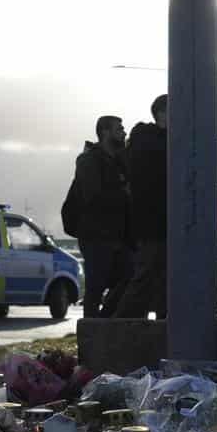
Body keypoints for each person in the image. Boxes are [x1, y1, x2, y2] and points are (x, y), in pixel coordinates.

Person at [73, 116, 133, 318]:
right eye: (119, 129)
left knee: (130, 277)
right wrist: (123, 192)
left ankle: (103, 321)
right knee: (95, 287)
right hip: (96, 236)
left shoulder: (119, 160)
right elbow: (93, 196)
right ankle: (91, 332)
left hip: (118, 236)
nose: (124, 132)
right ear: (105, 132)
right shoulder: (89, 160)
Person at [116, 95, 169, 319]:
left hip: (156, 221)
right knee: (146, 276)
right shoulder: (149, 141)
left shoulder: (147, 140)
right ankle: (121, 325)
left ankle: (153, 324)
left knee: (158, 279)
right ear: (161, 113)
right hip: (151, 222)